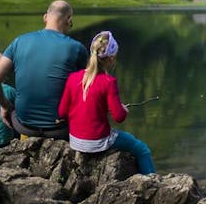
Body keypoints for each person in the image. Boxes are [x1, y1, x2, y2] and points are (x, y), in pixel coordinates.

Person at [0, 0, 89, 139]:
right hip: (61, 128)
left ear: (45, 17)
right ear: (69, 19)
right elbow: (91, 86)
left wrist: (5, 106)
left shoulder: (19, 41)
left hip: (23, 125)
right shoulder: (76, 48)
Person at [58, 31, 156, 174]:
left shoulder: (73, 78)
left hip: (76, 141)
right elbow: (119, 117)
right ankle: (152, 180)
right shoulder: (109, 82)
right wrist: (123, 109)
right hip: (98, 142)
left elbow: (61, 112)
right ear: (111, 59)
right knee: (142, 149)